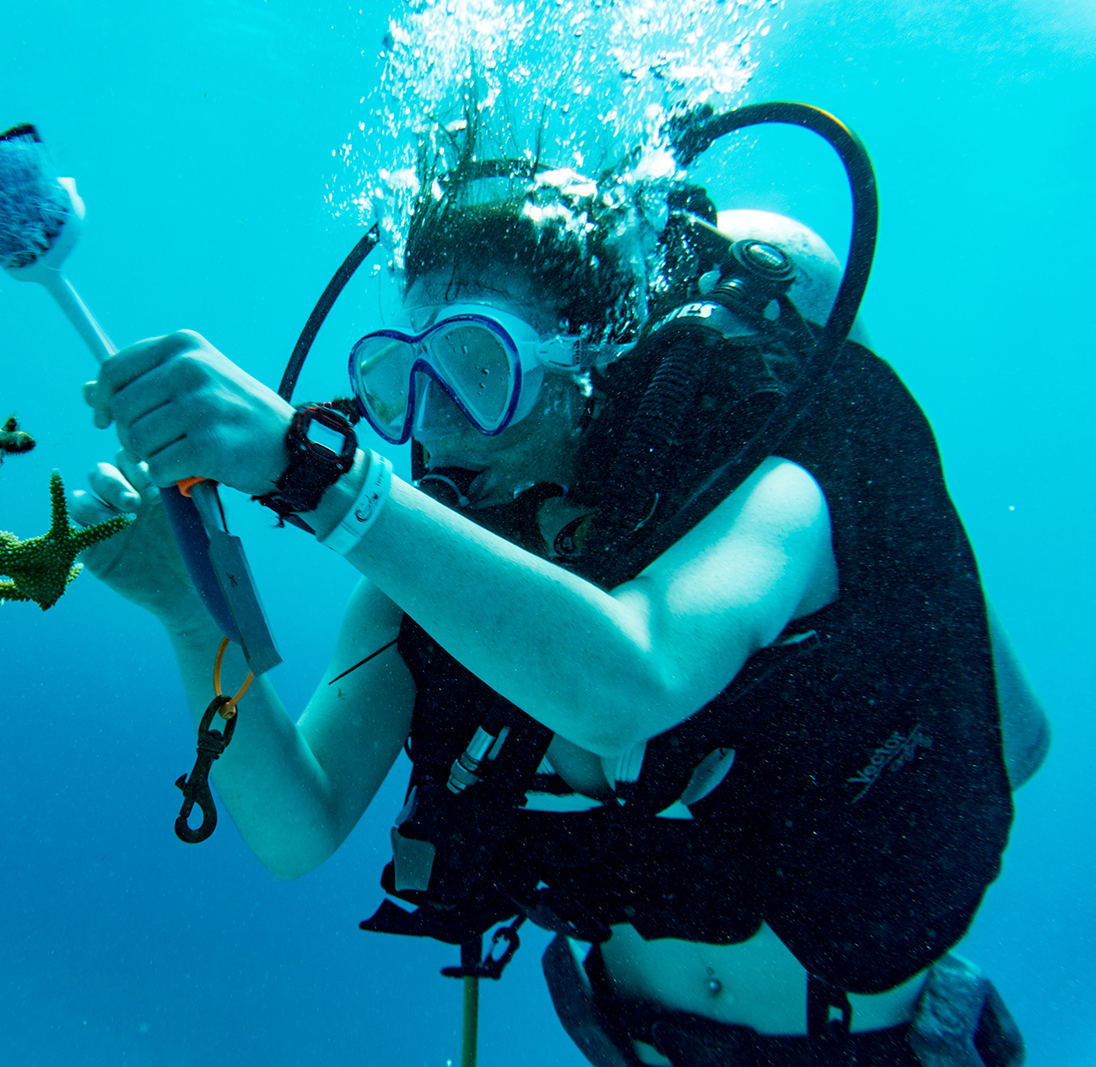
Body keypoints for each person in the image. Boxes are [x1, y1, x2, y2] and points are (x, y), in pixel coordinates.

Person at [67, 141, 1040, 1066]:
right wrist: (190, 615)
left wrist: (307, 470)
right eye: (400, 377)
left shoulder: (772, 499)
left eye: (474, 365)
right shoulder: (426, 588)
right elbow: (299, 823)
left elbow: (629, 679)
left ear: (589, 368)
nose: (434, 418)